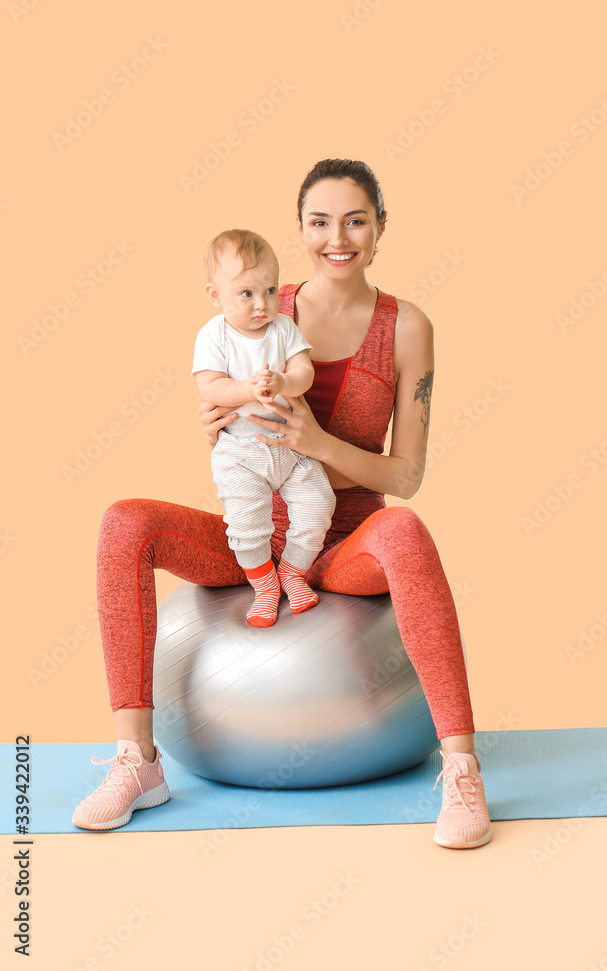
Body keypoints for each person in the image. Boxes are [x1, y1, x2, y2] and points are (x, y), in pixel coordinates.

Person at [72, 158, 492, 849]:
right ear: (299, 229)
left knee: (406, 528)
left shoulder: (407, 327)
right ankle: (137, 762)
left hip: (344, 544)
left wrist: (317, 441)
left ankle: (461, 769)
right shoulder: (262, 300)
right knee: (125, 523)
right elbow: (217, 392)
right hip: (250, 535)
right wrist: (216, 413)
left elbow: (406, 474)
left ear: (380, 227)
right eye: (319, 221)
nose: (338, 236)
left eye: (355, 219)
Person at [193, 227, 336, 626]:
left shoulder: (283, 329)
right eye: (247, 294)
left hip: (288, 445)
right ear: (215, 296)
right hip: (240, 451)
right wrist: (247, 387)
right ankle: (265, 585)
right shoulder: (213, 335)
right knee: (246, 524)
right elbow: (210, 386)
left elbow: (303, 372)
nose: (262, 304)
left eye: (271, 291)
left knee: (319, 504)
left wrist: (285, 383)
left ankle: (292, 571)